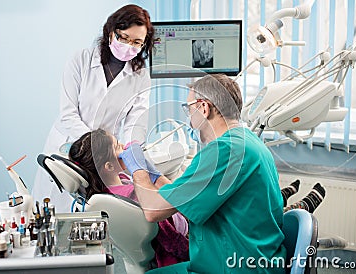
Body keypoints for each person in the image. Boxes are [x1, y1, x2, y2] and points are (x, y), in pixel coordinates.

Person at [119, 74, 286, 273]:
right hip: (251, 258)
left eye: (188, 109)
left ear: (203, 108)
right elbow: (179, 197)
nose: (188, 118)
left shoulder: (223, 151)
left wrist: (137, 170)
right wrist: (153, 174)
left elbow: (154, 210)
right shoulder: (245, 142)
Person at [32, 4, 155, 212]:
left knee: (95, 215)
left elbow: (136, 123)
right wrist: (97, 148)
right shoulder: (80, 60)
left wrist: (134, 151)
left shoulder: (140, 76)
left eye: (136, 42)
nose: (128, 46)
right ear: (110, 33)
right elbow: (68, 114)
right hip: (68, 147)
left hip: (104, 159)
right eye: (123, 37)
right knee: (55, 211)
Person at [68, 129, 189, 268]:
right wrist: (189, 249)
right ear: (109, 166)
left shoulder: (115, 184)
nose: (125, 147)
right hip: (179, 240)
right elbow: (169, 236)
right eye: (118, 146)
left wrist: (150, 174)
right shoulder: (131, 196)